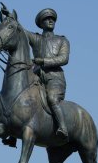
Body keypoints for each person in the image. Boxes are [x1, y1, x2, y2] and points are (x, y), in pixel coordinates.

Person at [25, 8, 70, 139]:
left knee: (52, 98)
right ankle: (13, 133)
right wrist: (11, 18)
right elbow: (20, 31)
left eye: (53, 19)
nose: (51, 20)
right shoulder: (36, 38)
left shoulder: (62, 40)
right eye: (47, 19)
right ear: (41, 23)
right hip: (36, 78)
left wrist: (43, 61)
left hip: (55, 78)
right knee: (21, 98)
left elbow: (64, 59)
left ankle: (63, 127)